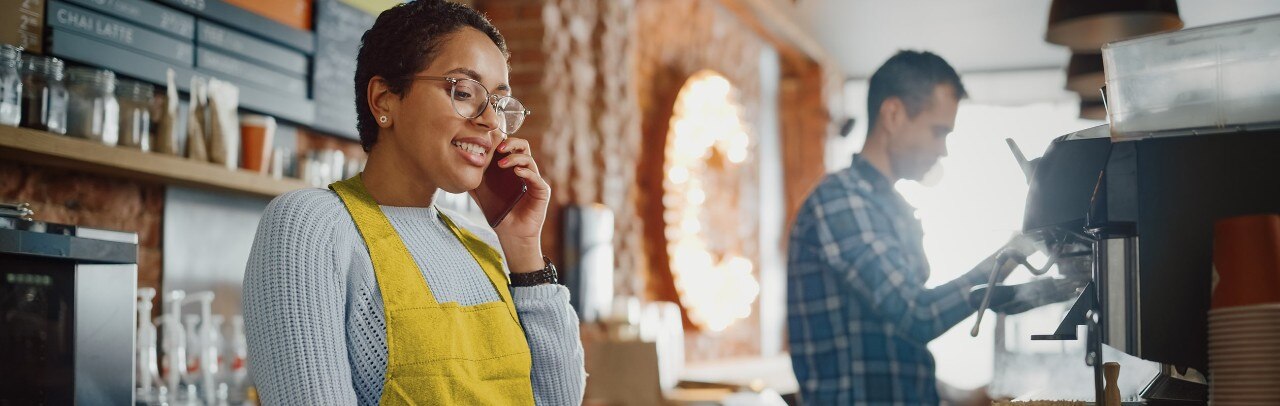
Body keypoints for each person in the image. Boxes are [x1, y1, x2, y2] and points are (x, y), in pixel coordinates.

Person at [242, 1, 584, 404]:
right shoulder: (311, 226)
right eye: (463, 92)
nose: (491, 122)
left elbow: (560, 400)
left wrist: (524, 248)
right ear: (384, 100)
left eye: (499, 103)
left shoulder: (485, 246)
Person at [785, 50, 1036, 405]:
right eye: (938, 132)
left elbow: (893, 351)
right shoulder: (841, 201)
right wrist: (1015, 253)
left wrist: (961, 396)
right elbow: (917, 315)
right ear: (893, 114)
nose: (943, 150)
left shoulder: (889, 208)